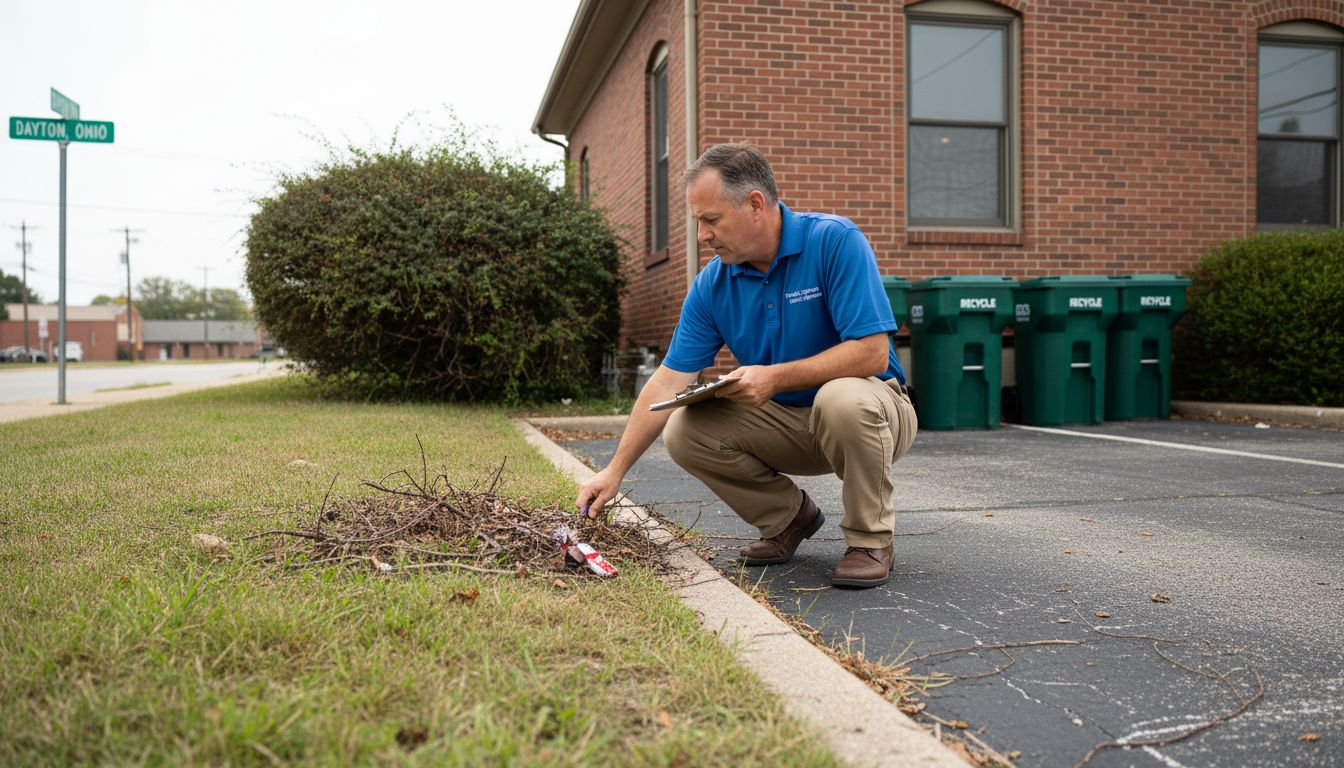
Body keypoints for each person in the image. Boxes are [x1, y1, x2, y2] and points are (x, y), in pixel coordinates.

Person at [576, 144, 917, 588]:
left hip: (873, 411)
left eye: (711, 219)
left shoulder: (833, 240)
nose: (702, 235)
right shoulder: (713, 284)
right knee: (685, 427)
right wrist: (614, 469)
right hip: (789, 423)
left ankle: (870, 540)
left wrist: (773, 376)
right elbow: (667, 381)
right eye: (698, 221)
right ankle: (788, 519)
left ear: (755, 204)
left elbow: (871, 354)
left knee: (842, 397)